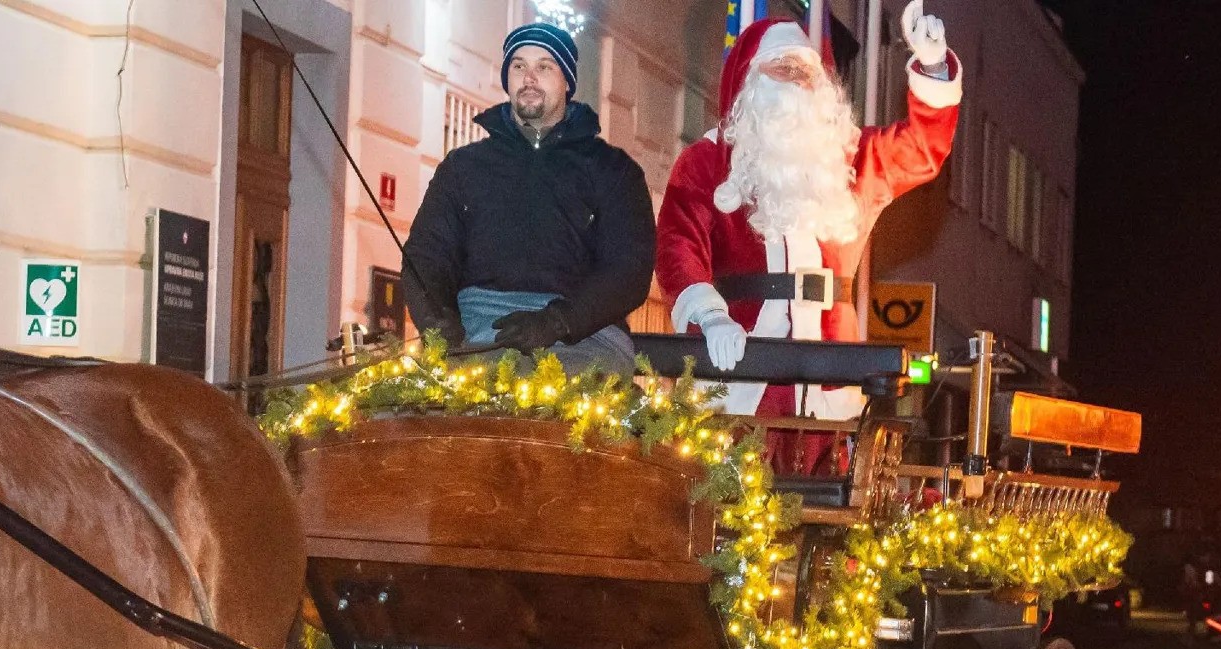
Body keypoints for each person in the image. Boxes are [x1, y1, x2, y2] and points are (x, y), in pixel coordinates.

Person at [656, 3, 960, 467]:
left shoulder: (853, 160)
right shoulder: (706, 162)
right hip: (740, 367)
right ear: (750, 82)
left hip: (829, 375)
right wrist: (709, 316)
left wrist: (934, 68)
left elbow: (921, 150)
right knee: (727, 504)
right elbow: (679, 249)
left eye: (804, 72)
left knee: (824, 510)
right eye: (781, 69)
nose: (795, 80)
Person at [402, 21, 656, 368]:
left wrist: (559, 320)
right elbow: (427, 254)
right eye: (519, 66)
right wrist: (437, 318)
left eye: (544, 66)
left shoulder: (613, 171)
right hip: (478, 329)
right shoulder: (463, 168)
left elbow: (629, 269)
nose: (529, 77)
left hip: (587, 338)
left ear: (567, 81)